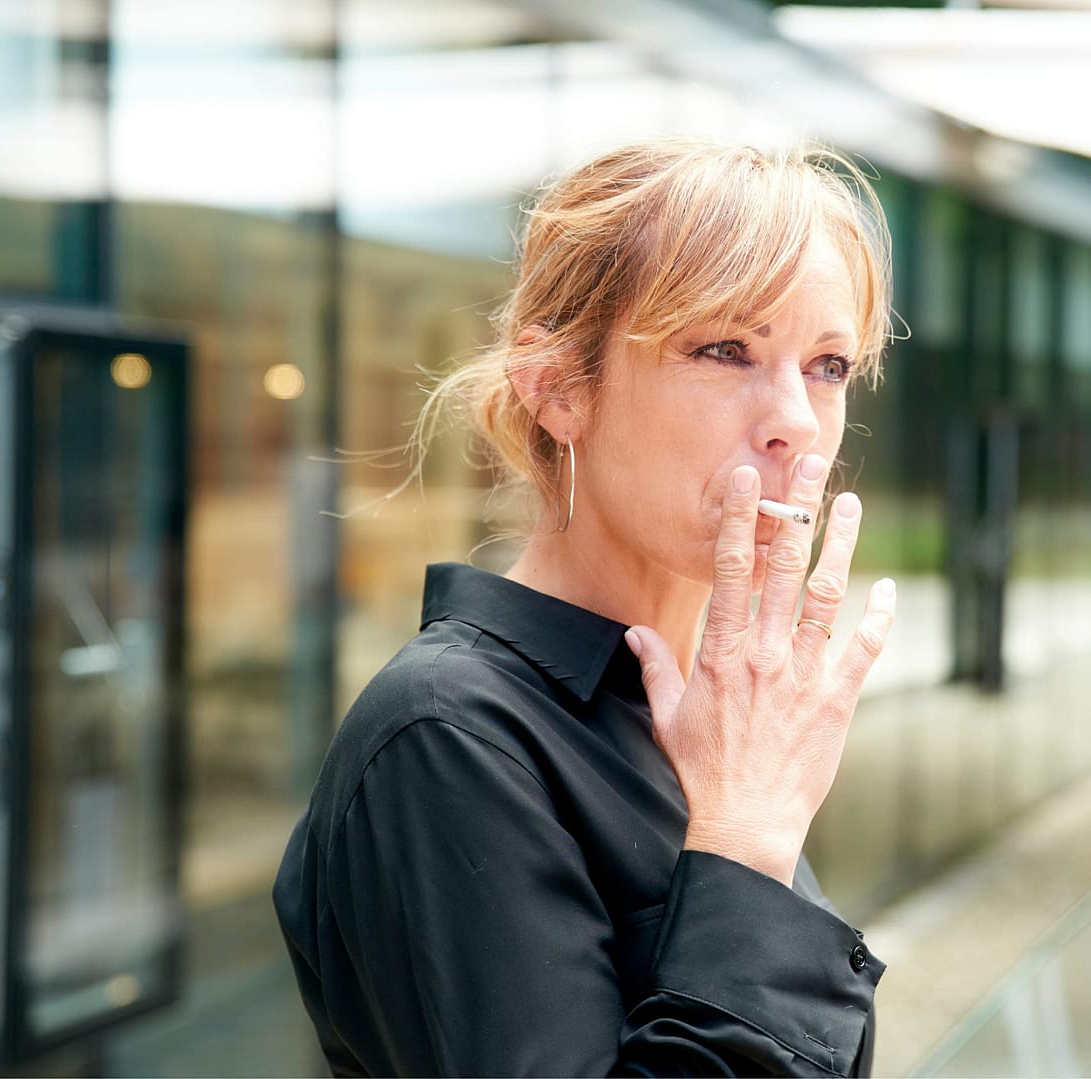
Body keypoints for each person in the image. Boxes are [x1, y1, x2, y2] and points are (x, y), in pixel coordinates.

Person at [273, 138, 898, 1077]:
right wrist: (745, 842)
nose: (796, 422)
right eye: (725, 349)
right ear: (558, 387)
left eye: (827, 364)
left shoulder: (707, 716)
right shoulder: (449, 735)